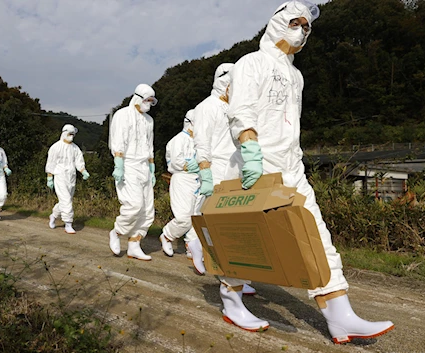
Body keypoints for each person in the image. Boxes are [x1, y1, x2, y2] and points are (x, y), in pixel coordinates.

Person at [190, 1, 394, 343]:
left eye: (307, 27)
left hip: (290, 166)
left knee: (314, 234)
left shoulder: (296, 74)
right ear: (277, 23)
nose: (302, 30)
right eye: (295, 22)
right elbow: (240, 109)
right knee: (244, 240)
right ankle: (231, 298)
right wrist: (250, 146)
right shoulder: (250, 63)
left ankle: (340, 315)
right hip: (252, 164)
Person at [189, 62, 257, 296]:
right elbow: (202, 142)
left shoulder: (235, 109)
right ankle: (197, 243)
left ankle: (235, 277)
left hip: (235, 170)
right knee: (213, 222)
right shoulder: (206, 107)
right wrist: (205, 171)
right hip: (216, 169)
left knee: (234, 228)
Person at [108, 84, 157, 261]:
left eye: (152, 101)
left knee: (147, 210)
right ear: (137, 97)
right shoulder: (122, 115)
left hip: (144, 165)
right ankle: (117, 232)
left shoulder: (149, 121)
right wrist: (118, 164)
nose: (149, 104)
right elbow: (118, 140)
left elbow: (149, 144)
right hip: (128, 165)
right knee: (134, 205)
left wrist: (152, 168)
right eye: (147, 100)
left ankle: (134, 245)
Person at [159, 110, 204, 257]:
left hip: (197, 179)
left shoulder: (198, 141)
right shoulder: (178, 140)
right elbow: (175, 162)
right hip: (182, 179)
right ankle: (167, 235)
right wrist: (189, 165)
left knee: (196, 215)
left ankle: (191, 245)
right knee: (184, 217)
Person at [46, 124, 89, 233]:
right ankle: (68, 223)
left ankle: (54, 216)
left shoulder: (75, 148)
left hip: (71, 176)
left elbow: (79, 161)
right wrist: (49, 177)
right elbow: (51, 163)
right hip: (60, 176)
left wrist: (83, 171)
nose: (72, 136)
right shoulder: (55, 147)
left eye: (73, 134)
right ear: (64, 133)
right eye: (70, 134)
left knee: (66, 200)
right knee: (66, 200)